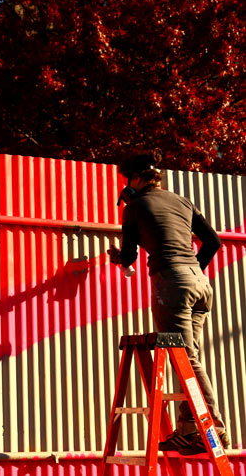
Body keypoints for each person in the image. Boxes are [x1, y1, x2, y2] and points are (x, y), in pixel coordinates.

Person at [108, 151, 229, 455]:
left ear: (136, 179)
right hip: (199, 283)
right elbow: (213, 241)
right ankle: (188, 430)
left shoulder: (134, 207)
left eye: (128, 180)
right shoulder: (182, 202)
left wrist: (117, 258)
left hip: (172, 284)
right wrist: (192, 270)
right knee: (187, 357)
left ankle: (213, 427)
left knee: (185, 357)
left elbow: (130, 255)